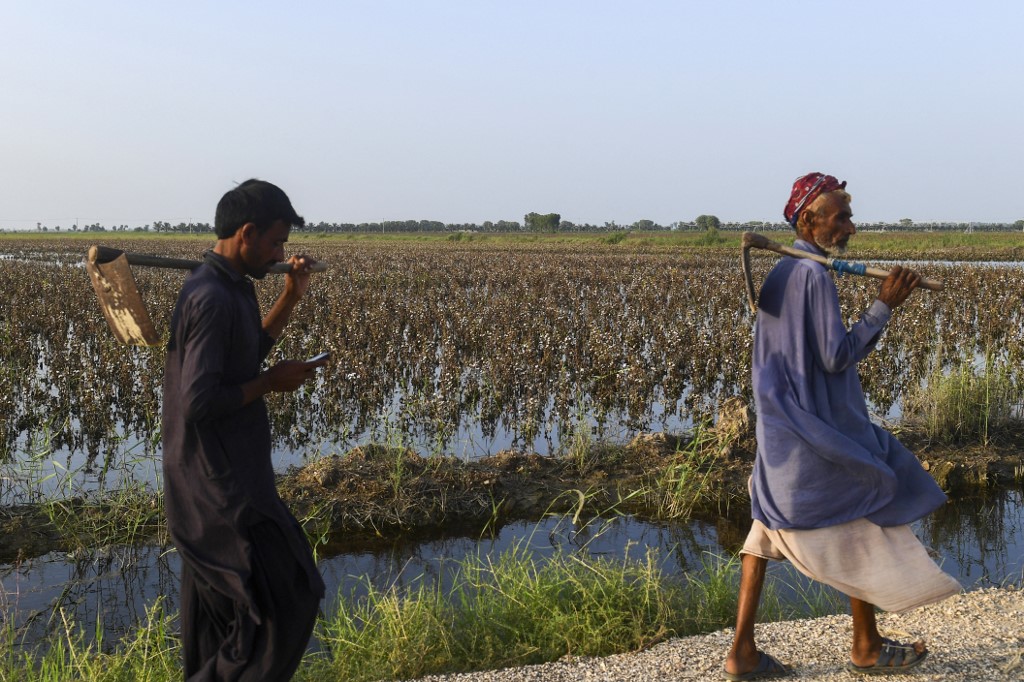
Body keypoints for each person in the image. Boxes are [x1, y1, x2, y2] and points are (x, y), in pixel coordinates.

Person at [723, 173, 961, 680]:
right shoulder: (810, 275)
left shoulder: (785, 271)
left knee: (764, 531)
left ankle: (742, 651)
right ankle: (866, 644)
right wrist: (884, 307)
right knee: (864, 500)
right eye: (841, 216)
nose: (851, 225)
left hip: (780, 430)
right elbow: (834, 357)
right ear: (809, 220)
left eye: (849, 215)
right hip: (814, 433)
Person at [162, 179, 328, 681]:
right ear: (247, 233)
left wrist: (291, 297)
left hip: (220, 478)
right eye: (276, 243)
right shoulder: (210, 296)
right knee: (289, 602)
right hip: (219, 490)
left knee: (221, 624)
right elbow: (198, 401)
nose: (281, 253)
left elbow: (244, 356)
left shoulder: (231, 286)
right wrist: (271, 383)